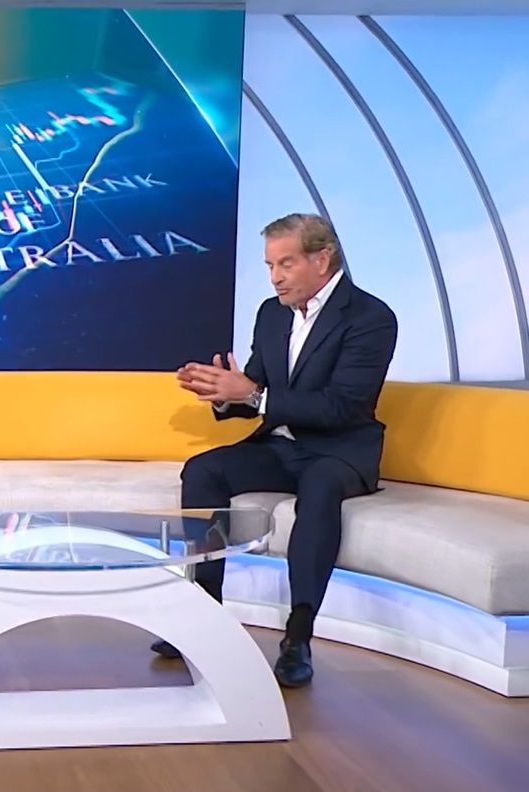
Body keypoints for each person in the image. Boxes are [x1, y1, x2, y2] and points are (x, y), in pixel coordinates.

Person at [160, 213, 398, 688]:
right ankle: (204, 612)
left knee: (321, 487)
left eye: (286, 264)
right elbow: (258, 389)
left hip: (338, 451)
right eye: (270, 265)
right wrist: (223, 394)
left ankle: (298, 637)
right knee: (203, 471)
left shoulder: (370, 318)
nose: (275, 277)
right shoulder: (272, 314)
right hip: (281, 445)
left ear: (322, 259)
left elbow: (343, 406)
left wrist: (252, 393)